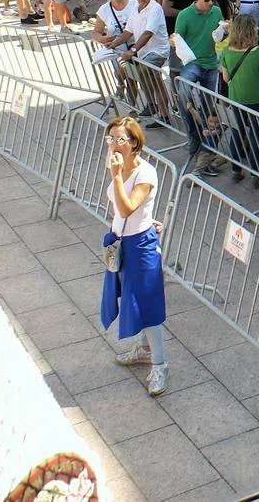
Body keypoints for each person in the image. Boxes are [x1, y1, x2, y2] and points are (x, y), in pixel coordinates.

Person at [99, 117, 169, 397]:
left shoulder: (146, 173)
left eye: (120, 140)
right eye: (111, 138)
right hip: (123, 241)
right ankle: (144, 348)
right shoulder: (117, 164)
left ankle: (160, 365)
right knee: (131, 298)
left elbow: (126, 208)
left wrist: (116, 176)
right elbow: (120, 208)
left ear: (135, 143)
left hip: (140, 246)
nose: (114, 145)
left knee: (148, 308)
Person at [174, 0, 225, 176]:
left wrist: (223, 32)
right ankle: (194, 136)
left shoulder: (217, 12)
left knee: (209, 107)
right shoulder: (185, 15)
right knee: (183, 96)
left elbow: (219, 37)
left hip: (211, 63)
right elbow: (177, 40)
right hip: (193, 63)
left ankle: (206, 145)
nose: (210, 3)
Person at [217, 15, 259, 189]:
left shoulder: (226, 52)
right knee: (256, 135)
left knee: (237, 133)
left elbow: (225, 78)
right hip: (258, 99)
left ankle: (236, 171)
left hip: (236, 99)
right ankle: (256, 173)